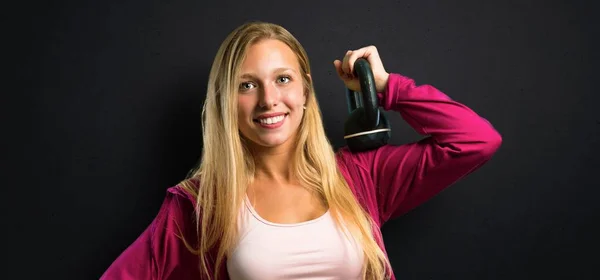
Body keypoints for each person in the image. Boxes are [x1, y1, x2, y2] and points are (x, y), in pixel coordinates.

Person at [101, 21, 502, 280]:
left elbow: (474, 141)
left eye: (283, 79)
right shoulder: (203, 203)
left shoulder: (362, 177)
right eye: (247, 85)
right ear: (225, 100)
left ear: (305, 89)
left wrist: (383, 87)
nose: (268, 100)